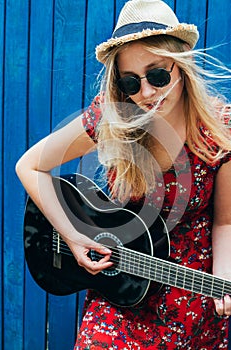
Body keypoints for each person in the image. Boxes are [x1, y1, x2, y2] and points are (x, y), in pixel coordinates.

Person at [16, 0, 231, 348]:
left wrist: (224, 279)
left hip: (190, 296)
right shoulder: (111, 118)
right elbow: (30, 165)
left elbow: (226, 221)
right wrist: (73, 236)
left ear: (182, 65)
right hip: (121, 291)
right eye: (131, 82)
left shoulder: (219, 128)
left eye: (159, 75)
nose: (146, 93)